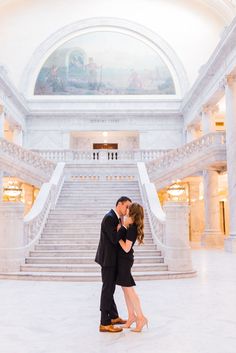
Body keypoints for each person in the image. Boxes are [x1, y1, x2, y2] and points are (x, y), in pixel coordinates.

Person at [95, 196, 132, 333]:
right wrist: (124, 226)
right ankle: (104, 323)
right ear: (119, 204)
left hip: (111, 259)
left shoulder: (115, 217)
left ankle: (114, 316)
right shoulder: (110, 218)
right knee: (107, 290)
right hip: (108, 260)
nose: (128, 209)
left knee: (110, 289)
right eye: (127, 206)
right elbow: (114, 238)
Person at [116, 202, 148, 332]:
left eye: (128, 209)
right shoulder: (130, 226)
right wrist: (123, 227)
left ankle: (140, 318)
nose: (126, 210)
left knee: (129, 291)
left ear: (132, 212)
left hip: (125, 261)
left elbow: (126, 248)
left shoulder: (132, 228)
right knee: (126, 290)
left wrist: (118, 236)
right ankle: (131, 317)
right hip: (123, 261)